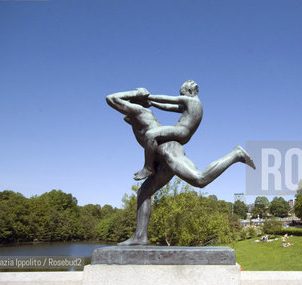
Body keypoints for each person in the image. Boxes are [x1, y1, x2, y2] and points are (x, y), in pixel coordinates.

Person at [105, 86, 256, 245]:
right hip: (161, 160)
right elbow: (163, 108)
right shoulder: (137, 116)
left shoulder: (140, 112)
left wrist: (137, 94)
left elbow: (111, 98)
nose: (123, 111)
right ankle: (140, 236)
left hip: (169, 151)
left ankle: (236, 155)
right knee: (143, 192)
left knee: (199, 179)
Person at [134, 80, 203, 180]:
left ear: (190, 91)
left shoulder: (192, 101)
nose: (181, 97)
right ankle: (156, 161)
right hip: (183, 134)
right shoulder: (190, 105)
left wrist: (147, 96)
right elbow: (168, 107)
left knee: (150, 135)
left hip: (181, 131)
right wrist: (152, 103)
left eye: (182, 94)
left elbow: (168, 99)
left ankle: (148, 168)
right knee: (157, 140)